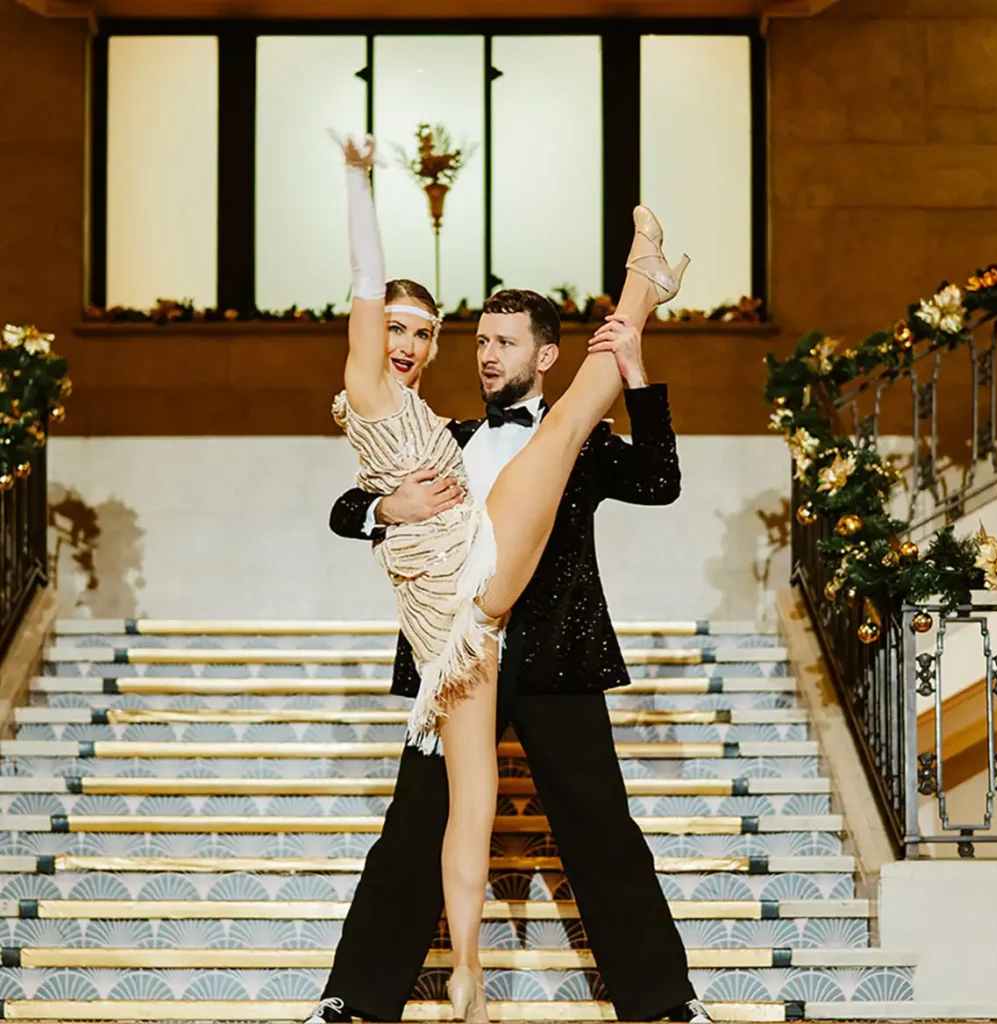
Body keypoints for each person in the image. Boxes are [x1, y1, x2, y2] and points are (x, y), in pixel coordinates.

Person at [326, 133, 694, 1024]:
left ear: (543, 354)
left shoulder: (566, 435)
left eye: (504, 343)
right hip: (461, 646)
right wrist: (390, 511)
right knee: (414, 833)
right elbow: (349, 505)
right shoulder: (441, 437)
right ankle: (355, 998)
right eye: (480, 342)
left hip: (556, 652)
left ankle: (663, 1002)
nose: (488, 357)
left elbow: (660, 482)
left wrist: (640, 376)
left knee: (604, 833)